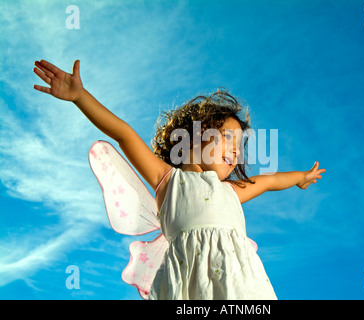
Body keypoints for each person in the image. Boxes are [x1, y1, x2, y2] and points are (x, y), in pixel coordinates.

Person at [33, 59, 326, 299]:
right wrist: (80, 97)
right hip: (186, 286)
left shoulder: (232, 191)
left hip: (239, 286)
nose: (235, 151)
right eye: (227, 138)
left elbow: (271, 180)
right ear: (194, 138)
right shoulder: (168, 180)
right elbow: (123, 134)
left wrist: (301, 177)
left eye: (239, 146)